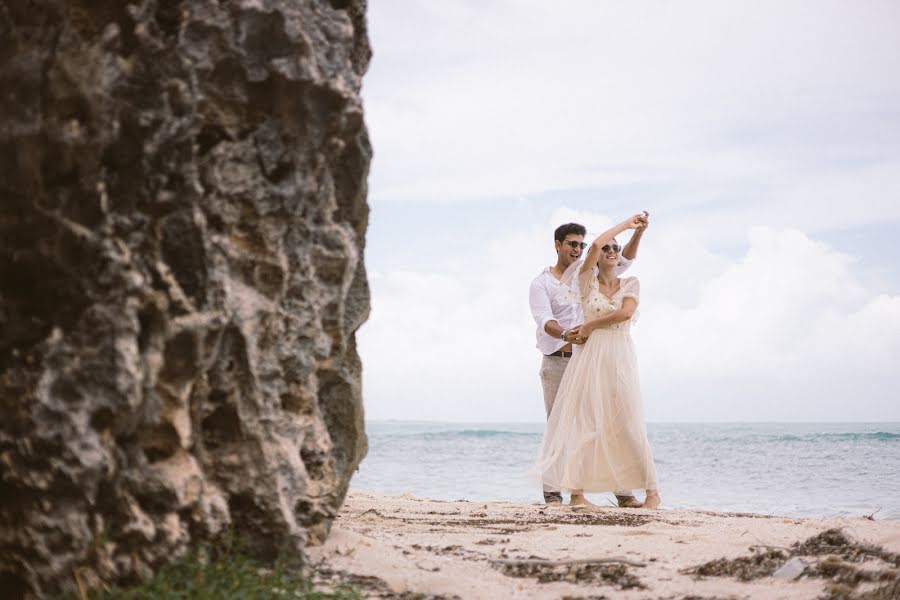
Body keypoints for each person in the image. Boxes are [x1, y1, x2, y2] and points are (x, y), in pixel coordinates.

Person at [535, 213, 660, 509]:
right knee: (583, 425)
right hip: (586, 359)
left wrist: (637, 232)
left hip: (618, 359)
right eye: (607, 249)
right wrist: (627, 223)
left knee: (626, 423)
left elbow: (627, 312)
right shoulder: (583, 281)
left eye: (616, 250)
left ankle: (646, 492)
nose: (612, 253)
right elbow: (595, 248)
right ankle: (572, 493)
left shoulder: (629, 281)